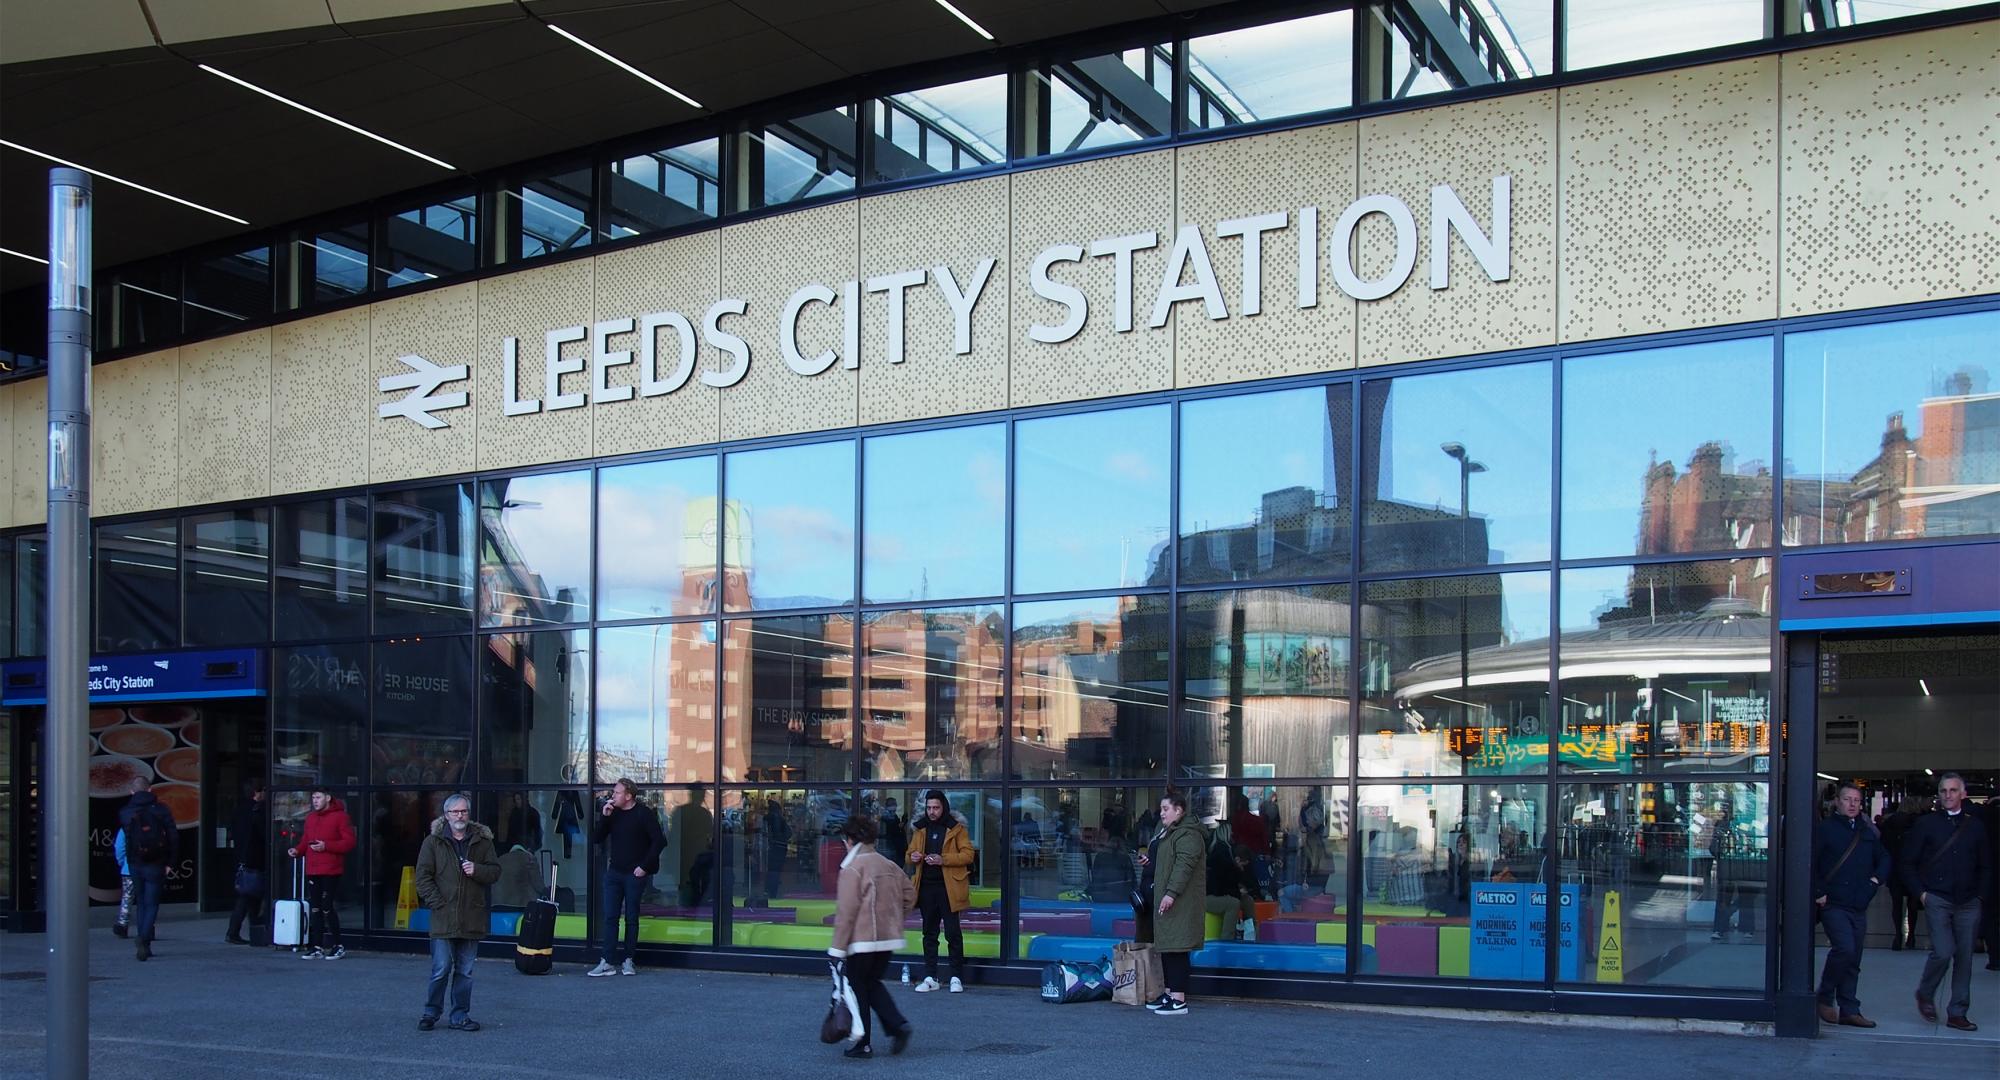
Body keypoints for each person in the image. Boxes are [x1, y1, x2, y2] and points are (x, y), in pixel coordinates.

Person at [1898, 772, 1990, 1031]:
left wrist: (1981, 895)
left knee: (1965, 958)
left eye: (1952, 790)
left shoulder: (1976, 826)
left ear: (1963, 794)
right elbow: (1907, 862)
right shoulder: (1926, 824)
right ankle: (1925, 993)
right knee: (1942, 951)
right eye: (1943, 791)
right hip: (1937, 897)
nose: (1947, 795)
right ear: (1938, 795)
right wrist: (1921, 893)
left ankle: (1957, 1012)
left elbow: (1986, 864)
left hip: (1969, 900)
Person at [829, 813, 914, 1058]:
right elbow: (909, 894)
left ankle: (863, 1043)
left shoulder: (852, 868)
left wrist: (837, 949)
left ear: (849, 839)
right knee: (872, 983)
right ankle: (897, 1025)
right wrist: (896, 917)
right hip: (888, 938)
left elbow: (846, 912)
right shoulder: (887, 864)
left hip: (862, 940)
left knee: (858, 988)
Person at [413, 793, 500, 1032]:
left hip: (472, 916)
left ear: (468, 814)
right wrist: (437, 903)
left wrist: (477, 870)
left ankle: (459, 1016)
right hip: (443, 915)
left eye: (463, 811)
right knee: (441, 968)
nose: (459, 816)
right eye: (455, 812)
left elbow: (494, 872)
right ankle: (431, 1012)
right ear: (446, 815)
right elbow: (422, 877)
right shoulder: (433, 842)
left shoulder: (483, 841)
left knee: (465, 971)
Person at [1812, 783, 1889, 1028]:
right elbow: (1809, 861)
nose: (1853, 804)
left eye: (1857, 800)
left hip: (1858, 903)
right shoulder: (1825, 829)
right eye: (1848, 799)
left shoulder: (1867, 831)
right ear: (1838, 802)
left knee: (1854, 957)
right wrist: (1819, 892)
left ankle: (1849, 1008)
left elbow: (1885, 858)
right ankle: (1824, 995)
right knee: (1844, 948)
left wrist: (1874, 882)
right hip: (1834, 902)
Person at [589, 778, 665, 977]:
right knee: (610, 917)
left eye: (617, 793)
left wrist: (644, 867)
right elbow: (596, 839)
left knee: (631, 917)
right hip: (614, 872)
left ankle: (628, 960)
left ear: (629, 795)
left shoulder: (643, 813)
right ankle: (607, 961)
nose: (613, 796)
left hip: (634, 874)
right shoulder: (612, 814)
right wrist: (604, 817)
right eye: (614, 793)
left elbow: (659, 841)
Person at [1140, 790, 1206, 1016]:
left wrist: (1171, 893)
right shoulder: (1167, 832)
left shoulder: (1188, 834)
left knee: (1177, 946)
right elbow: (1167, 861)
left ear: (1179, 810)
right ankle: (1170, 993)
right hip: (1167, 897)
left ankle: (1178, 998)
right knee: (1168, 945)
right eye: (1161, 809)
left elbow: (1184, 866)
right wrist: (1150, 861)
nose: (1162, 814)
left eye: (1165, 809)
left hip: (1179, 900)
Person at [903, 789, 972, 994]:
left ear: (944, 807)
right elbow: (908, 855)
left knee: (953, 933)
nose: (932, 812)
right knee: (929, 934)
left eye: (936, 807)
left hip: (949, 887)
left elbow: (968, 854)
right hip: (926, 887)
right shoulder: (920, 829)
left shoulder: (956, 828)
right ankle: (930, 976)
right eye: (929, 807)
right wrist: (913, 857)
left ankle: (956, 977)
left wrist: (944, 859)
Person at [286, 786, 356, 960]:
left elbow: (349, 842)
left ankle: (337, 945)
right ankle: (316, 946)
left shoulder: (340, 817)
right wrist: (297, 850)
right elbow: (305, 841)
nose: (315, 801)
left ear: (328, 798)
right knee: (315, 908)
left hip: (331, 869)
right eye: (313, 798)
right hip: (313, 869)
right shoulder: (310, 818)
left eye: (318, 797)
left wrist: (327, 846)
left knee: (327, 907)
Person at [117, 776, 177, 962]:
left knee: (141, 902)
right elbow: (174, 837)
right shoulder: (162, 810)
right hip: (157, 862)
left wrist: (128, 861)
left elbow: (126, 841)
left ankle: (143, 938)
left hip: (135, 863)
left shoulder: (126, 812)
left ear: (132, 792)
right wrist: (170, 862)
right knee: (152, 903)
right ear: (150, 790)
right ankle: (144, 938)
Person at [225, 779, 268, 945]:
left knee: (247, 896)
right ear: (257, 792)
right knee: (250, 897)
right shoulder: (257, 811)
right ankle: (247, 930)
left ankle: (245, 930)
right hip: (255, 858)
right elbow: (262, 835)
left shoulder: (239, 810)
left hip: (242, 857)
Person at [1881, 795, 1927, 950]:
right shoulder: (1919, 823)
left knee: (1896, 904)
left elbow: (1884, 846)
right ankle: (1911, 936)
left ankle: (1897, 936)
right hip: (1913, 868)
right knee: (1913, 904)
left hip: (1895, 867)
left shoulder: (1890, 823)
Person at [671, 785, 715, 907]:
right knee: (695, 886)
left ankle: (687, 911)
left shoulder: (681, 811)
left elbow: (673, 835)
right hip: (696, 855)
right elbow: (710, 835)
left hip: (688, 855)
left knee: (687, 886)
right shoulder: (703, 813)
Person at [1207, 842, 1262, 937]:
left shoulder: (1236, 865)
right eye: (1243, 865)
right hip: (1207, 897)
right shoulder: (1221, 862)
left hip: (1223, 894)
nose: (1244, 868)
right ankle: (1227, 938)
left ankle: (1252, 935)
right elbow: (1218, 889)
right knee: (1233, 904)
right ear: (1237, 859)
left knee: (1248, 900)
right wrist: (1238, 891)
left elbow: (1251, 885)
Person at [764, 794, 794, 900]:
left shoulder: (773, 817)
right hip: (780, 846)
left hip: (776, 846)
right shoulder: (779, 817)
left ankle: (771, 891)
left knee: (773, 870)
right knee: (775, 870)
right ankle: (772, 891)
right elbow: (788, 832)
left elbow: (776, 832)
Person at [111, 827, 132, 939]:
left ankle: (123, 924)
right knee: (147, 901)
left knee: (127, 897)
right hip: (150, 868)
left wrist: (123, 863)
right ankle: (147, 927)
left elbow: (119, 848)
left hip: (129, 868)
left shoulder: (126, 827)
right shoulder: (155, 823)